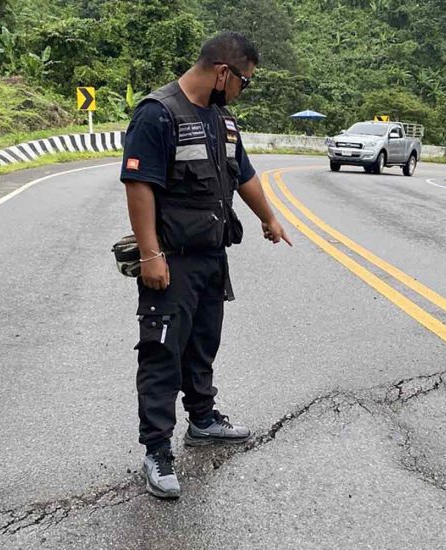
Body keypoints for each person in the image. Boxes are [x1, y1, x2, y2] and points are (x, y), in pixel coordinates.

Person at [120, 31, 292, 499]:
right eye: (244, 81)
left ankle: (202, 420)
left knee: (202, 344)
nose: (243, 90)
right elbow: (139, 187)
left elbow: (246, 176)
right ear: (222, 72)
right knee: (161, 353)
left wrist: (269, 218)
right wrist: (151, 254)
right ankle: (156, 450)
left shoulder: (224, 121)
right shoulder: (158, 114)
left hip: (211, 258)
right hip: (170, 261)